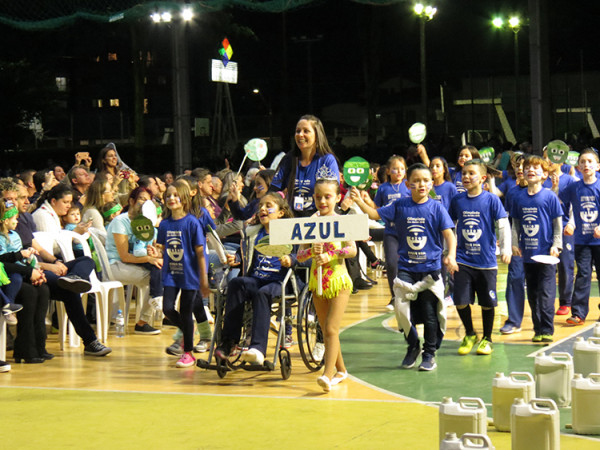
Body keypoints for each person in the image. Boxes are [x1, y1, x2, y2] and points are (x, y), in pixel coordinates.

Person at [351, 163, 457, 372]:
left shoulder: (437, 207)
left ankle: (429, 353)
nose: (421, 184)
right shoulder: (400, 206)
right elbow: (374, 215)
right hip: (407, 268)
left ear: (431, 183)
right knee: (401, 309)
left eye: (426, 180)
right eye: (416, 181)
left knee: (429, 313)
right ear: (408, 184)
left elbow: (449, 235)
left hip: (429, 269)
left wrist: (451, 256)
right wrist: (359, 202)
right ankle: (413, 346)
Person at [215, 192, 298, 367]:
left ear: (281, 213)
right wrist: (236, 258)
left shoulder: (291, 232)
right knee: (237, 283)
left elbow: (301, 254)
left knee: (263, 293)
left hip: (280, 282)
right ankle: (229, 343)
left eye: (268, 206)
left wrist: (291, 259)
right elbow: (243, 253)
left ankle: (258, 349)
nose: (262, 209)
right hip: (256, 278)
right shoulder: (253, 233)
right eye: (260, 206)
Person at [28, 184, 111, 356]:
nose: (68, 206)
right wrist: (54, 261)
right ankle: (90, 341)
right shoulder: (41, 216)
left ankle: (74, 277)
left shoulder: (30, 219)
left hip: (52, 263)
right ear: (53, 201)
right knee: (69, 291)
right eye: (65, 202)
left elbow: (46, 251)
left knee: (87, 260)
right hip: (38, 268)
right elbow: (43, 251)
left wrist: (57, 261)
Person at [297, 179, 355, 391]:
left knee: (331, 327)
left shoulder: (342, 222)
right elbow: (300, 256)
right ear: (313, 197)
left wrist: (330, 254)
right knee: (326, 329)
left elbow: (352, 250)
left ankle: (327, 374)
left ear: (338, 198)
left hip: (338, 281)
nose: (323, 200)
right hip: (317, 282)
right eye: (318, 196)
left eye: (328, 196)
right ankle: (341, 370)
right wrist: (313, 252)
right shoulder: (309, 223)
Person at [449, 160, 510, 355]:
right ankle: (469, 333)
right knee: (460, 299)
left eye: (471, 173)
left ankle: (487, 338)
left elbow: (503, 225)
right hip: (462, 260)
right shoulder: (457, 201)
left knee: (487, 302)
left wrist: (506, 248)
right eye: (464, 173)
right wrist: (449, 253)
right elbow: (449, 228)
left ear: (483, 178)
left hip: (486, 262)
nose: (466, 176)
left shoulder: (491, 200)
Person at [154, 181, 210, 368]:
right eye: (168, 195)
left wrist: (203, 279)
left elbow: (200, 253)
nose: (171, 198)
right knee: (167, 309)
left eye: (176, 195)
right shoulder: (164, 224)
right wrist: (156, 253)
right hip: (171, 273)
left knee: (186, 311)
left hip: (190, 274)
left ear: (185, 199)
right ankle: (188, 329)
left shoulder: (192, 223)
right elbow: (162, 248)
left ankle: (188, 353)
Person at [511, 155, 563, 342]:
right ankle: (537, 329)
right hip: (528, 255)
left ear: (544, 174)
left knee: (546, 293)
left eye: (536, 168)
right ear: (523, 172)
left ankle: (547, 329)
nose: (531, 170)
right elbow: (515, 223)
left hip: (547, 254)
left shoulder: (550, 196)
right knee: (532, 294)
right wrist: (514, 243)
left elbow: (558, 223)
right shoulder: (519, 198)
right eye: (528, 168)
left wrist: (557, 245)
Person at [105, 186, 163, 335]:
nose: (145, 203)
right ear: (131, 201)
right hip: (116, 265)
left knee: (163, 271)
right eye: (142, 199)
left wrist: (154, 252)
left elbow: (148, 247)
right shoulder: (121, 221)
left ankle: (144, 321)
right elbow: (124, 256)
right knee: (158, 277)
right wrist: (149, 259)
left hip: (133, 263)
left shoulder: (145, 223)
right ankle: (143, 322)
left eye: (148, 200)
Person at [0, 201, 50, 364]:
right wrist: (29, 272)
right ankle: (25, 349)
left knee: (42, 290)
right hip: (5, 278)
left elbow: (23, 259)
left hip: (20, 272)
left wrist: (35, 270)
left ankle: (39, 346)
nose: (18, 221)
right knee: (28, 293)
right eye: (15, 218)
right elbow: (3, 262)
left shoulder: (15, 235)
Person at [560, 148, 600, 326]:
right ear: (578, 166)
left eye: (590, 161)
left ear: (598, 166)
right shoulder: (574, 187)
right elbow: (558, 202)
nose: (586, 164)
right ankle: (578, 313)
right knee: (583, 274)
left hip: (599, 240)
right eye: (583, 161)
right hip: (581, 240)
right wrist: (569, 223)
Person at [271, 115, 340, 217]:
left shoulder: (327, 160)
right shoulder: (289, 159)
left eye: (306, 131)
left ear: (317, 135)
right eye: (298, 131)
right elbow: (272, 192)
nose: (300, 135)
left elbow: (332, 194)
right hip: (292, 218)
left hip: (319, 217)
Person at [372, 155, 410, 310]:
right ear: (388, 171)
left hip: (408, 232)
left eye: (402, 169)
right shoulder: (383, 188)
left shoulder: (409, 186)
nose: (399, 171)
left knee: (408, 264)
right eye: (395, 169)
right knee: (392, 264)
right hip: (390, 232)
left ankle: (410, 294)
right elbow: (376, 210)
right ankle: (395, 297)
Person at [81, 178, 115, 243]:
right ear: (102, 195)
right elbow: (104, 239)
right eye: (110, 191)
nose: (113, 192)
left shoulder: (101, 209)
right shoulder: (92, 212)